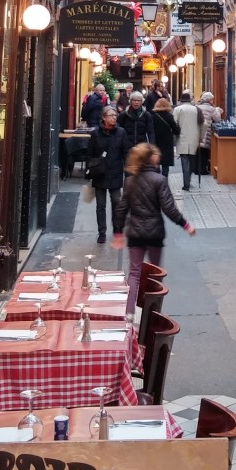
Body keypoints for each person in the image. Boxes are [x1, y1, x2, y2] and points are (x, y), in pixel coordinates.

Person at [112, 142, 195, 315]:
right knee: (154, 273)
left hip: (135, 233)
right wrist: (185, 224)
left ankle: (129, 313)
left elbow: (121, 208)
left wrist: (118, 232)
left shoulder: (130, 181)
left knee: (134, 273)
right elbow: (169, 208)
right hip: (154, 234)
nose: (159, 156)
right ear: (150, 158)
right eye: (156, 154)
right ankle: (150, 312)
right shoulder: (159, 180)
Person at [86, 105, 130, 245]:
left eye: (115, 115)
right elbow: (90, 153)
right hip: (100, 173)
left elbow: (126, 152)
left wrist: (129, 171)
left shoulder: (121, 132)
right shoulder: (96, 133)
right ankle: (102, 232)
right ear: (104, 118)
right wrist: (90, 168)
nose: (114, 118)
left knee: (116, 203)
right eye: (111, 115)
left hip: (115, 172)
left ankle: (117, 229)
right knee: (101, 205)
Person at [173, 89, 202, 191]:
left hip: (182, 138)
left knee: (184, 161)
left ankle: (186, 184)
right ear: (190, 100)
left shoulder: (178, 109)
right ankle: (188, 179)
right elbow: (204, 124)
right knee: (192, 160)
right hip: (194, 138)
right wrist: (201, 136)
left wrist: (175, 134)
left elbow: (174, 123)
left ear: (181, 100)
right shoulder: (197, 109)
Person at [152, 97, 180, 177]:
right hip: (167, 142)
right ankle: (164, 180)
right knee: (165, 164)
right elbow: (176, 130)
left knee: (156, 162)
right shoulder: (169, 116)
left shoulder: (153, 116)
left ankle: (156, 179)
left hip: (156, 141)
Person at [196, 91, 222, 176]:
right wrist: (218, 110)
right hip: (206, 131)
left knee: (198, 150)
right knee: (204, 151)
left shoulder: (197, 107)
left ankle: (196, 169)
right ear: (209, 100)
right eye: (211, 99)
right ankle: (203, 169)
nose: (212, 101)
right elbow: (217, 119)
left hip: (197, 131)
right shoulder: (211, 109)